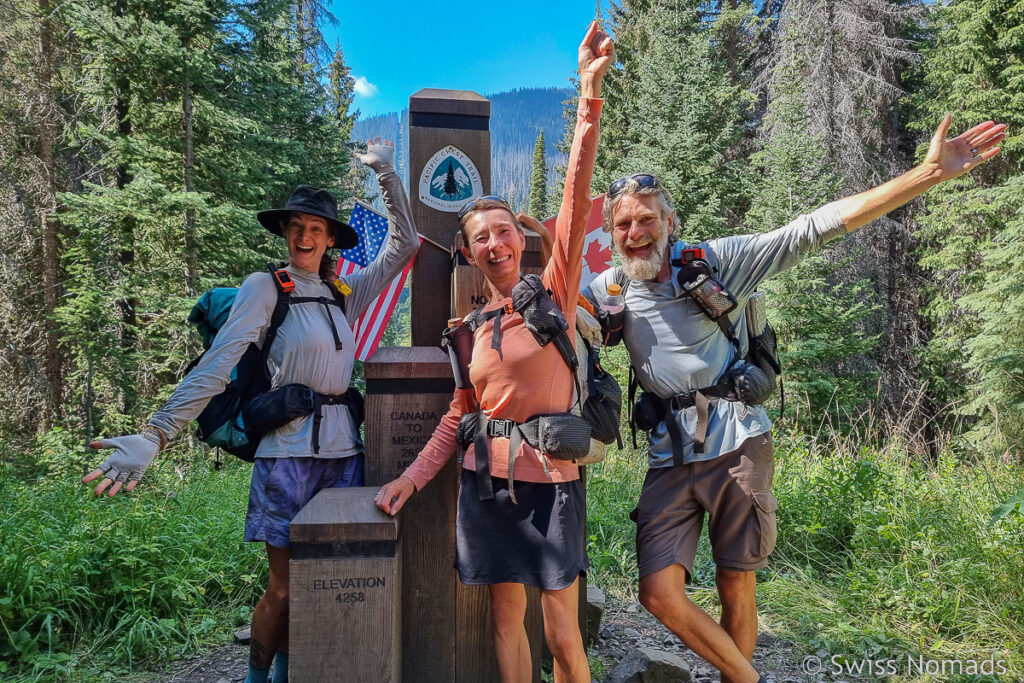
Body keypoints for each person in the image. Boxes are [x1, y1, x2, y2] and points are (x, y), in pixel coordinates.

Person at [584, 116, 1006, 683]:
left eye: (647, 219)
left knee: (736, 581)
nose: (636, 232)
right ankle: (750, 678)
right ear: (611, 233)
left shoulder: (717, 260)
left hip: (737, 438)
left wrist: (927, 173)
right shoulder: (609, 288)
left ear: (670, 220)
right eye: (624, 224)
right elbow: (552, 305)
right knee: (658, 593)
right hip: (668, 452)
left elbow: (815, 228)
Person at [81, 139, 420, 683]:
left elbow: (403, 248)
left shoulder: (342, 292)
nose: (305, 236)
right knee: (285, 586)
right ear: (285, 233)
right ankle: (258, 677)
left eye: (316, 228)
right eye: (297, 227)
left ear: (331, 238)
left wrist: (387, 175)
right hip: (285, 455)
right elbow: (220, 362)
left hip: (344, 455)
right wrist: (159, 431)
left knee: (331, 578)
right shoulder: (265, 287)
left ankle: (293, 668)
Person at [373, 22, 613, 683]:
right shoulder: (467, 328)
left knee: (562, 635)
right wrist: (409, 480)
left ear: (519, 236)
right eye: (482, 237)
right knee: (507, 625)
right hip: (486, 487)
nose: (497, 243)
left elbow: (574, 189)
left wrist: (588, 94)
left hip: (553, 490)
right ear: (471, 251)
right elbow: (457, 417)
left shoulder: (553, 292)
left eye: (504, 230)